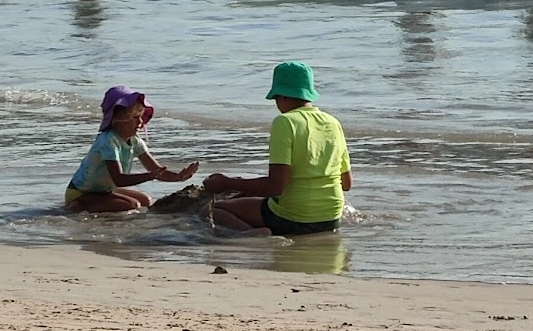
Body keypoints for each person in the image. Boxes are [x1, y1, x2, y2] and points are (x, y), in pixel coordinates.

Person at [202, 62, 350, 235]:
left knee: (217, 211)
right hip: (331, 218)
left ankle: (254, 234)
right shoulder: (333, 122)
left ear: (283, 96)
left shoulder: (285, 121)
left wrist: (226, 183)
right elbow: (346, 183)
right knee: (265, 201)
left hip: (294, 219)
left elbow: (276, 186)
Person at [66, 87, 199, 213]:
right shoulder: (108, 141)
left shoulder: (135, 141)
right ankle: (78, 206)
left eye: (141, 116)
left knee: (145, 200)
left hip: (103, 190)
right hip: (81, 192)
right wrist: (148, 177)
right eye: (135, 117)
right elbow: (119, 179)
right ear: (118, 119)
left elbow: (157, 171)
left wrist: (179, 177)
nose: (140, 122)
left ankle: (92, 204)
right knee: (132, 205)